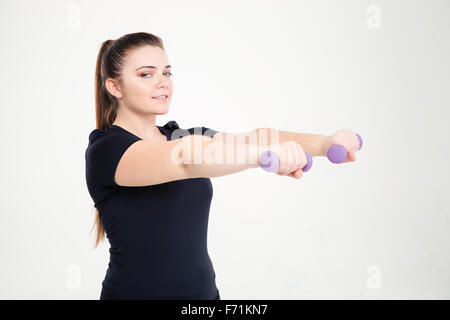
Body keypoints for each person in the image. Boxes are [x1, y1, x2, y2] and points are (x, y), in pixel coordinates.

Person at [85, 32, 359, 300]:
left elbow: (254, 137)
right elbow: (185, 158)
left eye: (167, 73)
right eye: (147, 74)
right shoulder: (107, 150)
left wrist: (325, 143)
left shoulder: (178, 134)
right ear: (115, 87)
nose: (163, 83)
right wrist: (262, 156)